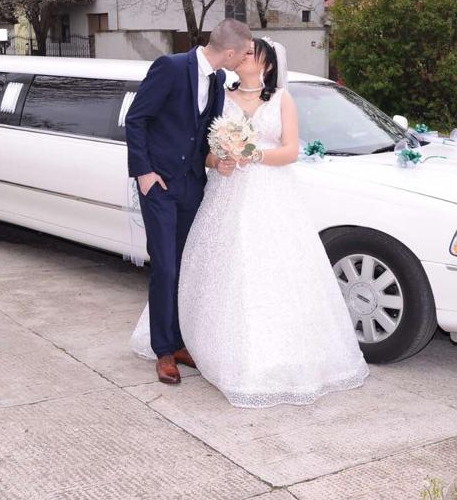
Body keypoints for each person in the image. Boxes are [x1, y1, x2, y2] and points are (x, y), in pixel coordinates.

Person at [131, 37, 369, 408]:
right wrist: (218, 161)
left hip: (270, 196)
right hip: (225, 192)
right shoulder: (219, 93)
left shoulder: (282, 99)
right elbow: (201, 148)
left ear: (267, 65)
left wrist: (252, 154)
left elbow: (290, 150)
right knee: (203, 270)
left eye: (252, 53)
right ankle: (177, 344)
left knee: (270, 273)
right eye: (242, 51)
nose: (244, 56)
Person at [124, 18, 252, 385]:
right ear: (230, 52)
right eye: (244, 53)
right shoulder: (170, 67)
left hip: (192, 186)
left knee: (185, 267)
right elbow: (136, 120)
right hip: (159, 186)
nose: (246, 58)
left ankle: (180, 342)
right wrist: (144, 173)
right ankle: (163, 350)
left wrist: (219, 158)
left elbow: (203, 136)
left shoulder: (218, 80)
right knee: (165, 267)